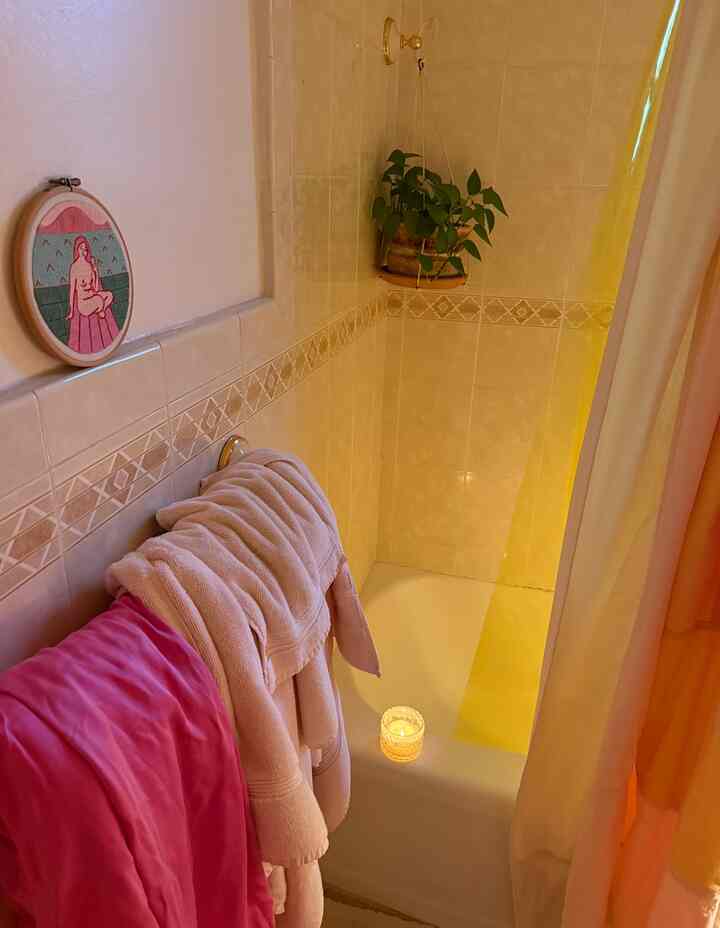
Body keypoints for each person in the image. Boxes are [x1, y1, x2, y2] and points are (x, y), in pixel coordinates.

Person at [66, 235, 119, 353]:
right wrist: (71, 310)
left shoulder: (89, 265)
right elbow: (72, 290)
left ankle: (100, 308)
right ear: (77, 249)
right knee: (100, 300)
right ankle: (100, 308)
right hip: (84, 304)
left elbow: (95, 288)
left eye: (85, 249)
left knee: (109, 295)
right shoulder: (74, 267)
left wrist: (95, 270)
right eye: (81, 249)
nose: (84, 252)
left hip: (93, 297)